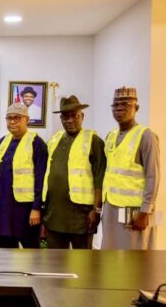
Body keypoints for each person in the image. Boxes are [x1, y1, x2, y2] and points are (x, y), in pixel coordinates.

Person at [42, 96, 106, 249]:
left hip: (81, 218)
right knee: (55, 264)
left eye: (74, 116)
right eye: (65, 116)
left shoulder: (94, 141)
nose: (69, 120)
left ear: (82, 116)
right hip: (54, 216)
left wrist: (96, 211)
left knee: (82, 265)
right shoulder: (54, 140)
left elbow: (100, 179)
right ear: (61, 118)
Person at [101, 86, 160, 250]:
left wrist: (145, 211)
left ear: (136, 108)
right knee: (110, 253)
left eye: (125, 104)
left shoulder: (146, 136)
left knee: (134, 257)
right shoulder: (111, 136)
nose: (119, 108)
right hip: (111, 207)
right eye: (116, 105)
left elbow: (153, 176)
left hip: (134, 210)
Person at [0, 103, 48, 248]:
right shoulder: (2, 142)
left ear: (27, 119)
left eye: (17, 118)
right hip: (6, 209)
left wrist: (37, 209)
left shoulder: (37, 144)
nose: (12, 122)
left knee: (31, 252)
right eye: (9, 118)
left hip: (26, 210)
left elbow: (41, 179)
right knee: (5, 252)